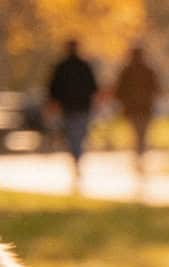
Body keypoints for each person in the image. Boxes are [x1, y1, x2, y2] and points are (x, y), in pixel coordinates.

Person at [47, 39, 99, 184]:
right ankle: (77, 159)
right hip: (81, 107)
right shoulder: (83, 66)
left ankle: (76, 159)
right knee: (78, 136)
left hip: (69, 108)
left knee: (73, 136)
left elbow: (53, 89)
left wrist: (53, 104)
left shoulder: (63, 67)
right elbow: (93, 88)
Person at [113, 44, 160, 174]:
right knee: (141, 135)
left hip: (135, 109)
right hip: (144, 108)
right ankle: (139, 156)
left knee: (137, 134)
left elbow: (119, 91)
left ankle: (139, 157)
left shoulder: (127, 71)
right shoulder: (147, 70)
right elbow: (157, 89)